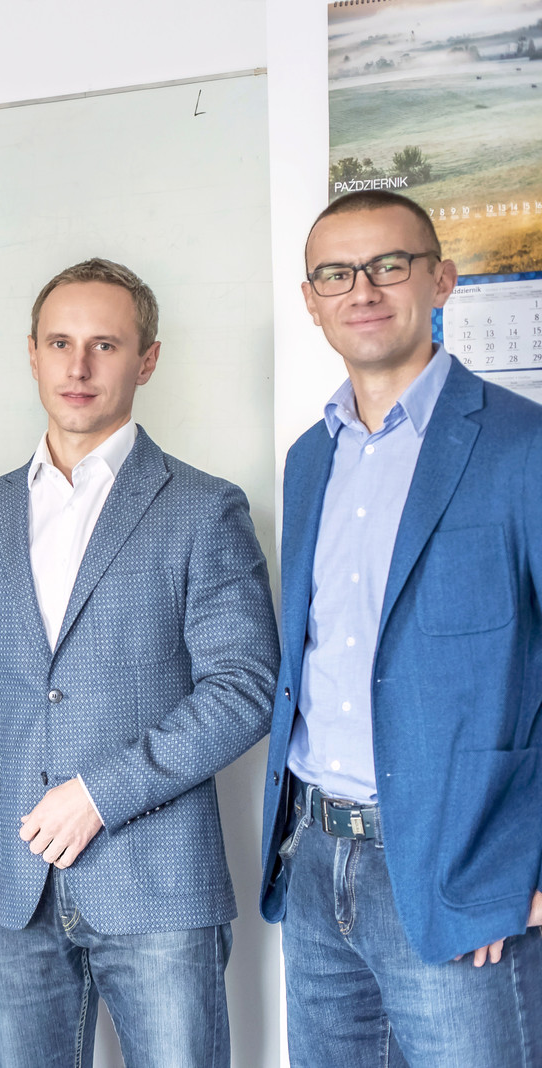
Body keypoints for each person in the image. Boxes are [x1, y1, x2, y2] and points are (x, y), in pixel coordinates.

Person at [0, 258, 279, 1067]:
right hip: (11, 891)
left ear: (146, 360)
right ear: (33, 354)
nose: (78, 366)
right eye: (60, 343)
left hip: (158, 885)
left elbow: (246, 688)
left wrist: (99, 794)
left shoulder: (204, 507)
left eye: (105, 345)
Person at [260, 190, 542, 1066]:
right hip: (315, 862)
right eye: (336, 274)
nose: (363, 290)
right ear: (312, 302)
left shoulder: (522, 445)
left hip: (465, 871)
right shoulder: (309, 458)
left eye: (389, 265)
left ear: (440, 280)